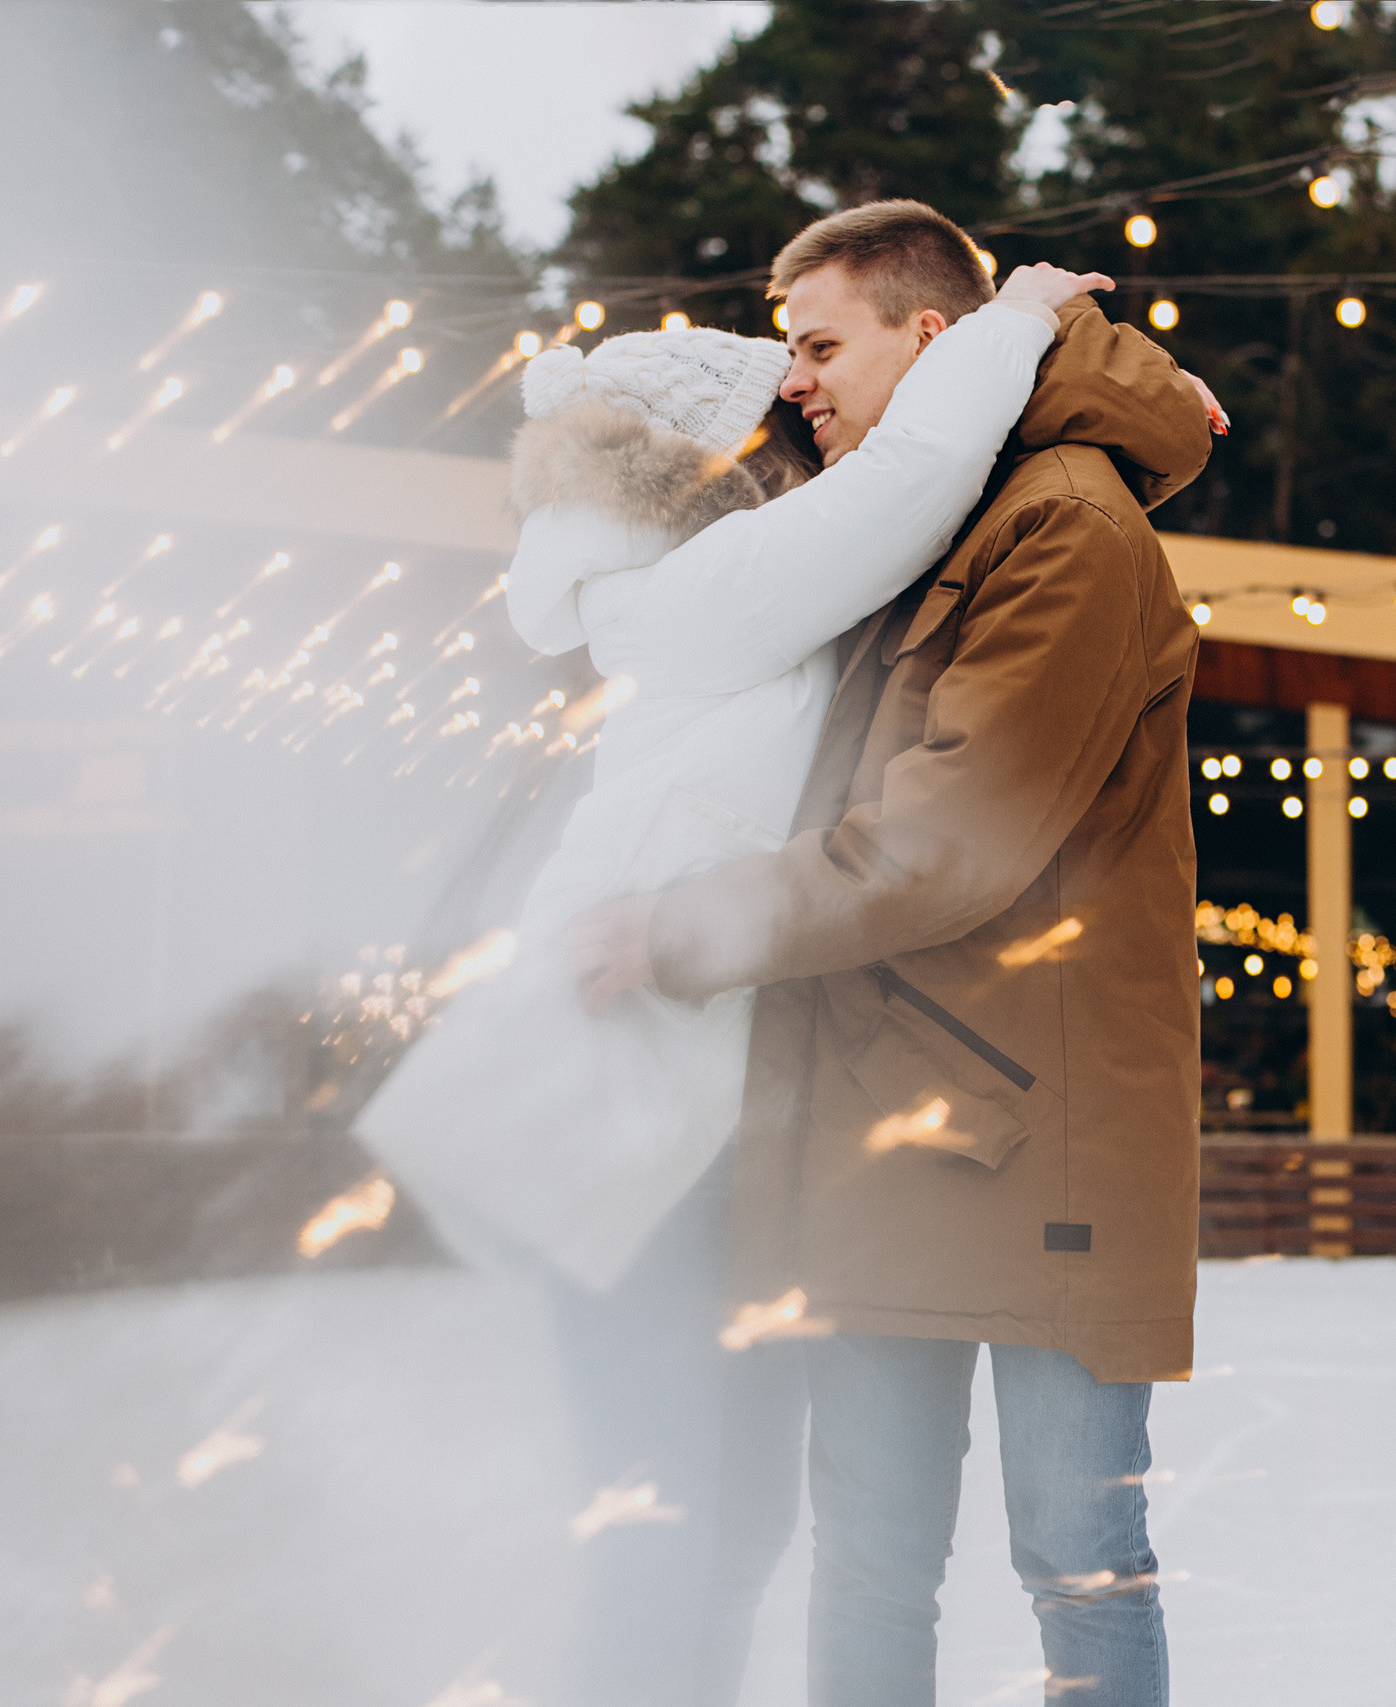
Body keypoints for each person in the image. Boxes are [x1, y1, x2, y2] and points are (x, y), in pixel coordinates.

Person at [357, 255, 1121, 1706]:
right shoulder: (708, 594)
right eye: (780, 411)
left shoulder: (729, 605)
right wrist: (1022, 322)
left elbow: (925, 480)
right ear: (696, 469)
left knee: (733, 1526)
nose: (809, 415)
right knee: (673, 1530)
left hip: (720, 1135)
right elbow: (921, 466)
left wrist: (1119, 396)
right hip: (618, 1116)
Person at [572, 199, 1221, 1707]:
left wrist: (681, 932)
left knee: (1074, 1551)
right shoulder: (906, 519)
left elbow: (950, 841)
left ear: (934, 338)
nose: (794, 379)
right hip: (884, 1121)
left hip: (1034, 1131)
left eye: (821, 345)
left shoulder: (1064, 524)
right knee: (868, 1554)